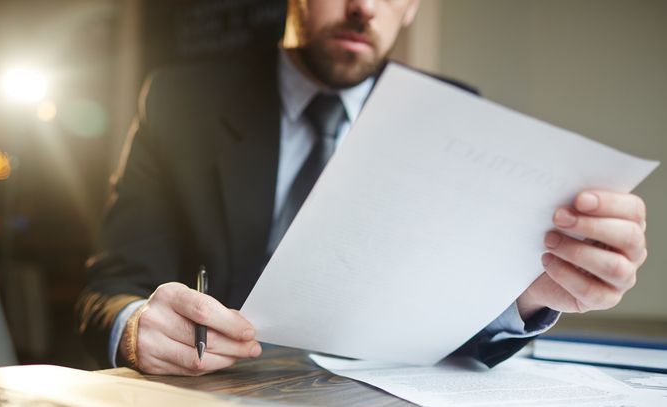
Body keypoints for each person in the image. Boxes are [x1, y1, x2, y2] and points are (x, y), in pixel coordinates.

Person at [76, 0, 648, 376]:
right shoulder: (180, 101)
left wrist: (532, 293)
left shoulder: (454, 114)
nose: (364, 8)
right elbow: (110, 287)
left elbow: (450, 315)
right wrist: (135, 328)